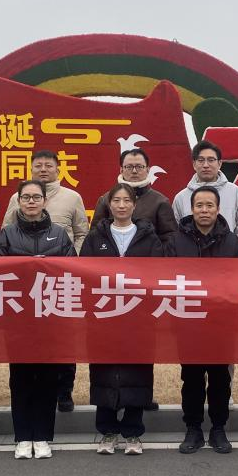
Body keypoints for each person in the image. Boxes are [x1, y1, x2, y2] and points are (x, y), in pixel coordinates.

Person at [0, 180, 77, 459]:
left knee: (47, 379)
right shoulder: (7, 234)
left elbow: (72, 270)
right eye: (26, 197)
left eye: (36, 197)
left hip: (50, 317)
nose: (31, 202)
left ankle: (42, 436)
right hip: (18, 317)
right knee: (20, 379)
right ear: (18, 201)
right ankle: (22, 436)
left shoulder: (59, 234)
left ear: (44, 201)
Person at [81, 184, 166, 455]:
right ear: (108, 205)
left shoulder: (148, 237)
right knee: (103, 372)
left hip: (138, 318)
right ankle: (107, 432)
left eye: (126, 200)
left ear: (134, 205)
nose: (121, 205)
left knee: (137, 372)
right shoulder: (95, 237)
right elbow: (85, 274)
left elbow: (157, 276)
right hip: (104, 316)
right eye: (115, 200)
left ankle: (132, 432)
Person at [1, 150, 88, 412]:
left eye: (48, 165)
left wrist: (72, 264)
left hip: (59, 281)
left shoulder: (72, 197)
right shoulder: (16, 198)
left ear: (58, 169)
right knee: (26, 340)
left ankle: (64, 391)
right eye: (38, 165)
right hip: (24, 286)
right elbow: (6, 232)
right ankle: (29, 392)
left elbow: (81, 232)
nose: (43, 169)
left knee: (63, 339)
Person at [172, 185, 238, 454]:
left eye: (209, 205)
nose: (204, 210)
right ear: (191, 209)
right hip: (188, 321)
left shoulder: (234, 244)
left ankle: (218, 428)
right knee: (191, 378)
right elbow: (165, 279)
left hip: (221, 323)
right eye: (199, 206)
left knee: (219, 378)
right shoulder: (175, 242)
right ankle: (193, 429)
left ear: (218, 209)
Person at [91, 148, 179, 248]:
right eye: (129, 167)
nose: (134, 171)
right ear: (121, 170)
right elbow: (94, 236)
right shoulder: (106, 199)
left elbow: (170, 238)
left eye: (139, 167)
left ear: (148, 169)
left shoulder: (160, 202)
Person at [171, 139, 238, 236]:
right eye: (201, 160)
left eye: (211, 160)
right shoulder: (181, 198)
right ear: (194, 164)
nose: (206, 165)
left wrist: (235, 246)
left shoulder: (234, 192)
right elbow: (176, 233)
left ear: (219, 163)